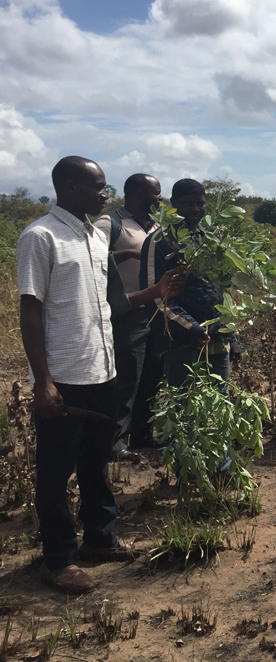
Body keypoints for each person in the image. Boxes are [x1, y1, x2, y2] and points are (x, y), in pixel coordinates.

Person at [18, 157, 181, 594]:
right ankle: (58, 560)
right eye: (99, 187)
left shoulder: (93, 237)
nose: (105, 195)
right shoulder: (40, 237)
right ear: (70, 188)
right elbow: (29, 311)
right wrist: (44, 381)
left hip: (103, 370)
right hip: (65, 376)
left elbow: (112, 305)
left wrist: (156, 291)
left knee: (97, 462)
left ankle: (100, 540)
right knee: (56, 471)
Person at [141, 179, 242, 391]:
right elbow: (157, 297)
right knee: (184, 405)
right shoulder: (160, 241)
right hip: (182, 343)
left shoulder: (210, 239)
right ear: (174, 204)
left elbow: (221, 292)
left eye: (201, 203)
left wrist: (230, 336)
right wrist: (191, 328)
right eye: (188, 203)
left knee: (220, 402)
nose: (196, 209)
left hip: (217, 340)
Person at [96, 173, 164, 459]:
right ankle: (115, 442)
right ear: (137, 194)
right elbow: (92, 260)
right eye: (156, 193)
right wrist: (128, 254)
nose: (160, 198)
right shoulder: (109, 223)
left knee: (151, 376)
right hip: (126, 313)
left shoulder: (159, 227)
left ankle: (142, 435)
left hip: (156, 312)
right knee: (127, 378)